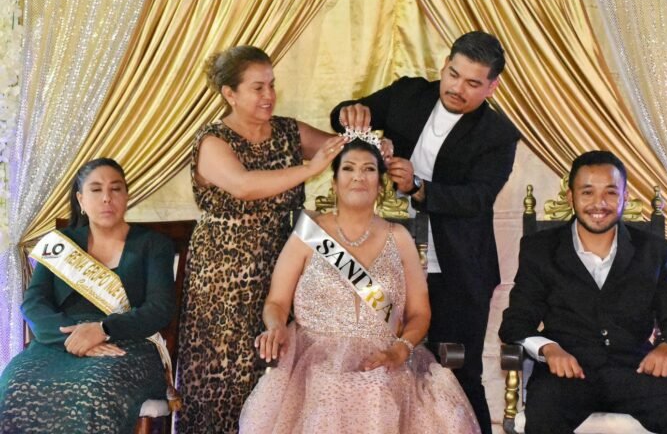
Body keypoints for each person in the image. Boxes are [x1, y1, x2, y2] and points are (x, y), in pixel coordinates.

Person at [330, 31, 520, 433]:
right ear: (444, 65)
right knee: (382, 366)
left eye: (473, 83)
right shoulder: (409, 94)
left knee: (456, 372)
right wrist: (351, 112)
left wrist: (419, 187)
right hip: (384, 268)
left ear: (492, 86)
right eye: (453, 74)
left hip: (457, 271)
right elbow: (342, 117)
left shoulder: (498, 134)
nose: (457, 88)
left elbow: (478, 198)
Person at [239, 136, 481, 433]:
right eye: (348, 168)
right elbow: (277, 302)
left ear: (380, 184)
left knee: (377, 386)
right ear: (334, 182)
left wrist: (400, 350)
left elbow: (419, 314)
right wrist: (276, 326)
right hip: (314, 360)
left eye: (368, 169)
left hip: (386, 358)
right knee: (329, 388)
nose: (358, 176)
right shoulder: (309, 234)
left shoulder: (399, 238)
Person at [176, 45, 349, 433]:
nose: (269, 95)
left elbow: (341, 149)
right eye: (257, 87)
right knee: (225, 374)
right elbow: (245, 186)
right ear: (230, 93)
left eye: (271, 84)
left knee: (275, 371)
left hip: (283, 265)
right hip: (225, 276)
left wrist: (368, 140)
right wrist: (309, 168)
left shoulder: (288, 130)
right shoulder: (213, 140)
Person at [499, 150, 667, 434]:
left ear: (625, 196)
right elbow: (516, 321)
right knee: (543, 415)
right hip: (566, 372)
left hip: (636, 369)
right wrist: (548, 349)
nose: (599, 203)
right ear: (570, 197)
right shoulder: (540, 249)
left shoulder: (653, 250)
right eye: (587, 192)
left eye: (611, 193)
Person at [0, 158, 176, 434]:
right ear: (81, 199)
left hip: (127, 344)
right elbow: (34, 303)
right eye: (96, 189)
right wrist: (74, 339)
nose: (107, 197)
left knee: (93, 391)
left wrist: (103, 330)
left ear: (126, 196)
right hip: (58, 343)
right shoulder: (60, 245)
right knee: (13, 387)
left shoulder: (153, 245)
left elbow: (159, 308)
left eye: (115, 189)